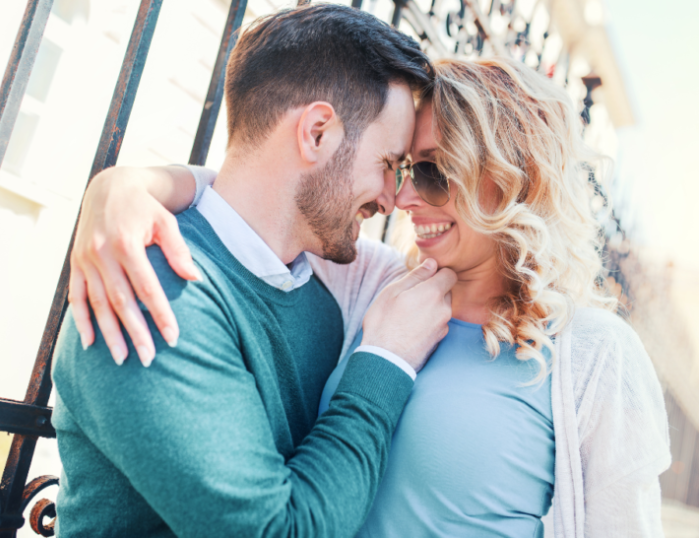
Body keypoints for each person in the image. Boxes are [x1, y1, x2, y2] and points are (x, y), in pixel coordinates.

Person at [72, 57, 672, 536]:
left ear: (513, 178)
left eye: (433, 172)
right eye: (402, 169)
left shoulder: (591, 355)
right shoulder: (374, 284)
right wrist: (126, 187)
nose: (403, 198)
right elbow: (260, 206)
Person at [51, 5, 457, 537]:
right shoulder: (152, 289)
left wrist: (137, 182)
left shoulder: (320, 289)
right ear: (316, 133)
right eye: (389, 165)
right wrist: (385, 363)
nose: (393, 198)